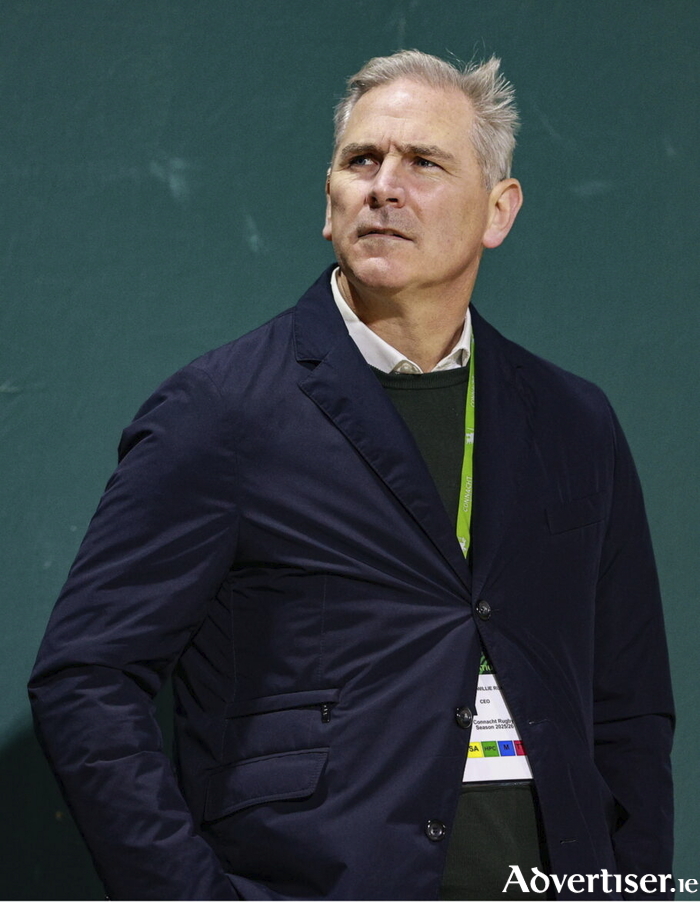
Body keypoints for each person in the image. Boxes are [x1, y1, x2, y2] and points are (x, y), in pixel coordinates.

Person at [29, 50, 674, 901]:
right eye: (361, 160)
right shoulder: (219, 412)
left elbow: (628, 706)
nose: (384, 186)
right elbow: (87, 677)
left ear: (498, 211)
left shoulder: (575, 422)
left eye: (425, 163)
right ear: (327, 201)